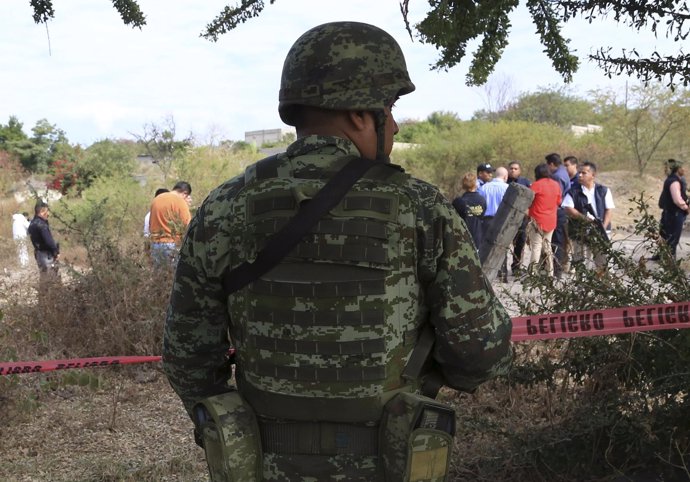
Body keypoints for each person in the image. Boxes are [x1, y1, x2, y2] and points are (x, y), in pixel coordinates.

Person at [163, 21, 512, 482]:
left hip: (265, 466)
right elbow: (481, 353)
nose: (394, 122)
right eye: (389, 107)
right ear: (358, 114)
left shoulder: (224, 207)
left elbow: (187, 357)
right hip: (387, 463)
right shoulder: (420, 208)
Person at [562, 161, 615, 269]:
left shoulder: (603, 191)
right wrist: (585, 219)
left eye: (584, 173)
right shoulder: (573, 192)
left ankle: (604, 285)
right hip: (580, 233)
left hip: (601, 233)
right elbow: (568, 208)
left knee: (604, 265)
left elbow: (609, 210)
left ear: (593, 175)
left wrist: (602, 228)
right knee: (581, 265)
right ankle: (582, 286)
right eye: (580, 172)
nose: (580, 175)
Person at [526, 163, 562, 277]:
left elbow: (527, 200)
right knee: (547, 247)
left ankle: (533, 272)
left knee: (536, 246)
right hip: (551, 219)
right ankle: (550, 272)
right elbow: (559, 202)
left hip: (537, 220)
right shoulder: (556, 185)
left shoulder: (536, 185)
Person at [148, 181, 192, 266]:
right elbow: (188, 226)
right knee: (172, 276)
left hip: (155, 244)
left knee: (158, 276)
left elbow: (150, 223)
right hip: (172, 245)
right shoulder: (180, 201)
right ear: (185, 193)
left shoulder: (156, 199)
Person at [480, 166, 510, 281]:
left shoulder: (484, 188)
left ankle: (484, 274)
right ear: (505, 176)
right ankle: (503, 273)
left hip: (487, 220)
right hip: (502, 220)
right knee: (502, 246)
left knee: (485, 246)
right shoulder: (508, 188)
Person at [657, 159, 689, 259]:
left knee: (668, 236)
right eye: (682, 168)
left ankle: (666, 258)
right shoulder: (674, 182)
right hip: (675, 213)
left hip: (671, 212)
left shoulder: (672, 179)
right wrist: (686, 207)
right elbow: (677, 200)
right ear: (678, 169)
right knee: (673, 237)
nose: (684, 169)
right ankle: (670, 261)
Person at [545, 152, 570, 277]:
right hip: (561, 211)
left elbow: (556, 197)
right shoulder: (564, 172)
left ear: (551, 164)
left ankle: (557, 269)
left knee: (557, 241)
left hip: (557, 211)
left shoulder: (557, 177)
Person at [507, 161, 531, 276]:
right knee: (505, 243)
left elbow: (532, 198)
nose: (513, 170)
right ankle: (501, 269)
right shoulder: (504, 182)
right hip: (507, 218)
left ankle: (516, 267)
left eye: (516, 169)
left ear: (520, 170)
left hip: (522, 218)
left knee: (520, 244)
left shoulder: (525, 182)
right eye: (511, 168)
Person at [452, 172, 486, 249]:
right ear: (476, 184)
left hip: (461, 239)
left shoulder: (458, 201)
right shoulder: (482, 200)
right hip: (477, 239)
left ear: (463, 184)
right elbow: (481, 216)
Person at [27, 201, 60, 276]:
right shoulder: (42, 225)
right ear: (42, 211)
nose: (48, 214)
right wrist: (55, 251)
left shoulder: (32, 223)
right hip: (46, 255)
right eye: (47, 211)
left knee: (44, 276)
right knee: (51, 278)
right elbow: (48, 241)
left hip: (38, 254)